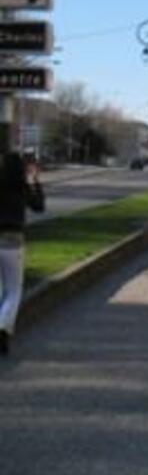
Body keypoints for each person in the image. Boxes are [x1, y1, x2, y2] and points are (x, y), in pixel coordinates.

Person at [0, 152, 45, 355]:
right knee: (13, 290)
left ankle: (3, 332)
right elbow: (39, 207)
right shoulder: (22, 187)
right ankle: (2, 327)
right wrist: (35, 181)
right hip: (13, 241)